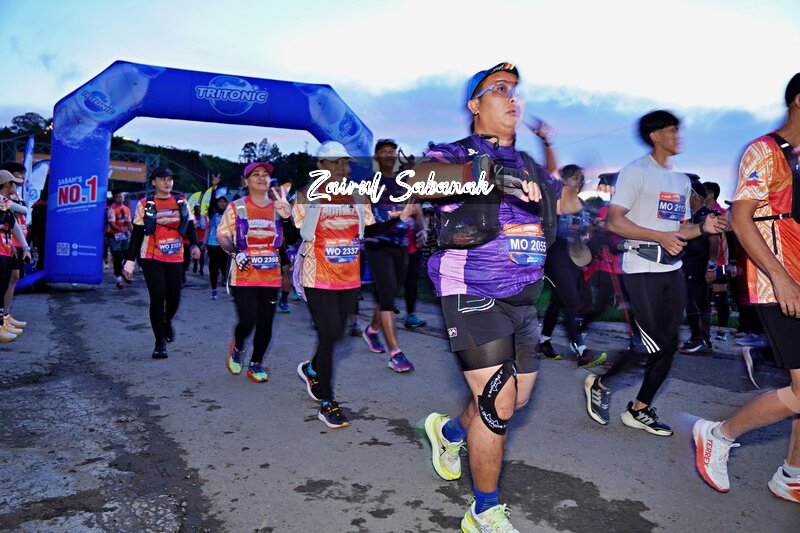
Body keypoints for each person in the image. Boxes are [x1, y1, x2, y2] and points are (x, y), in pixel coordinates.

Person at [412, 62, 555, 532]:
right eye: (499, 89)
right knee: (498, 405)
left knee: (516, 399)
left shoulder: (528, 162)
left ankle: (449, 431)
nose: (512, 97)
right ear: (475, 104)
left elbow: (559, 205)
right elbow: (419, 180)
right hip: (471, 289)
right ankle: (484, 511)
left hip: (524, 298)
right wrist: (486, 175)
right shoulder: (453, 153)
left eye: (516, 90)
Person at [583, 110, 726, 437]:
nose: (679, 135)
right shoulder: (637, 171)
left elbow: (680, 230)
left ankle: (639, 409)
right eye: (672, 129)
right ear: (655, 135)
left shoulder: (681, 181)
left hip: (672, 270)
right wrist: (659, 236)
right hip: (641, 268)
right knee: (651, 344)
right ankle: (601, 384)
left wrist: (704, 228)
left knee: (669, 343)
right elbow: (615, 221)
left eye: (679, 129)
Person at [693, 74, 800, 503]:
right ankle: (719, 434)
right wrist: (780, 277)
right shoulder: (766, 150)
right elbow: (740, 220)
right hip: (779, 282)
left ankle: (792, 474)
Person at [294, 141, 414, 429]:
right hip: (317, 276)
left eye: (344, 162)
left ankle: (312, 369)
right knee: (328, 336)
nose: (340, 167)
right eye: (334, 162)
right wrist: (289, 213)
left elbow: (372, 227)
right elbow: (297, 230)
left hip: (348, 278)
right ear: (320, 166)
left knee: (339, 336)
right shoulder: (307, 196)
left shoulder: (358, 194)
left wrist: (399, 217)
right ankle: (328, 403)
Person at [217, 162, 296, 383]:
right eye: (255, 174)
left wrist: (287, 217)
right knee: (248, 320)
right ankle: (238, 346)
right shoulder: (236, 207)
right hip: (243, 276)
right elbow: (222, 235)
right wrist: (235, 253)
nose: (262, 178)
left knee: (266, 321)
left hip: (270, 276)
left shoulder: (278, 207)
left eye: (265, 174)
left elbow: (292, 238)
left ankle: (256, 363)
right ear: (246, 181)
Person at [123, 167, 201, 358]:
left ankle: (166, 321)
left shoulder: (181, 202)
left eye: (170, 179)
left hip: (176, 256)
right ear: (153, 182)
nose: (167, 182)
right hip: (151, 256)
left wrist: (195, 245)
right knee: (158, 296)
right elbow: (137, 234)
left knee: (174, 298)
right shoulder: (145, 204)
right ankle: (159, 343)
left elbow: (190, 227)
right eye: (162, 179)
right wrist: (130, 261)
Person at [536, 164, 607, 368]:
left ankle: (544, 343)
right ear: (565, 180)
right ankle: (582, 352)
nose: (580, 180)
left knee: (558, 301)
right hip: (556, 254)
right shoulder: (557, 201)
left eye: (581, 177)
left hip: (574, 257)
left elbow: (584, 229)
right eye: (575, 177)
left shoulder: (582, 204)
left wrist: (593, 227)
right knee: (572, 302)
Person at [362, 138, 422, 372]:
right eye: (384, 151)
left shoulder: (404, 182)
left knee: (390, 294)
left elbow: (415, 208)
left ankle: (372, 330)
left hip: (401, 245)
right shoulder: (369, 184)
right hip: (377, 245)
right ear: (376, 157)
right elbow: (365, 218)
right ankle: (395, 353)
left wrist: (422, 230)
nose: (388, 154)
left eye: (391, 151)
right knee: (387, 294)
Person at [678, 180, 717, 354]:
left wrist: (711, 266)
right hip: (690, 263)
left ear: (694, 195)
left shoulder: (707, 215)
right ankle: (702, 339)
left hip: (700, 264)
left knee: (694, 300)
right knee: (696, 300)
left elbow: (715, 242)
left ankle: (698, 339)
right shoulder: (691, 216)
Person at [0, 170, 31, 341]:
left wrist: (25, 247)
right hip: (1, 250)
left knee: (3, 285)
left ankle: (2, 320)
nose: (16, 187)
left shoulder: (5, 204)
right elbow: (23, 210)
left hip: (5, 249)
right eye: (14, 183)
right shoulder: (3, 202)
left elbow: (14, 226)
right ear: (7, 184)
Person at [703, 181, 733, 341]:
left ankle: (722, 332)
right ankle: (703, 332)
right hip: (701, 260)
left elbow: (731, 237)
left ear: (711, 194)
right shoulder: (700, 212)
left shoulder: (722, 213)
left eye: (704, 191)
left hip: (720, 260)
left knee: (720, 295)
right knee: (703, 296)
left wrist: (732, 262)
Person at [106, 190, 133, 289]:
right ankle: (118, 279)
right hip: (113, 235)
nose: (119, 198)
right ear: (114, 198)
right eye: (117, 197)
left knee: (127, 255)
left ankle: (122, 271)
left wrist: (135, 234)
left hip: (124, 235)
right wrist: (120, 229)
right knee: (117, 257)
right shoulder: (111, 209)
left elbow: (129, 223)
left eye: (121, 196)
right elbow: (112, 224)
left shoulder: (126, 209)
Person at [206, 195, 229, 300]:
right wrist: (214, 188)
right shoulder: (213, 214)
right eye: (220, 202)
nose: (222, 203)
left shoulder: (229, 214)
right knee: (213, 268)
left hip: (226, 244)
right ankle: (214, 290)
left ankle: (224, 277)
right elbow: (211, 204)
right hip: (213, 244)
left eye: (224, 202)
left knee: (225, 266)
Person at [192, 205, 208, 276]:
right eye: (196, 209)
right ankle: (195, 263)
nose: (198, 210)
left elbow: (207, 227)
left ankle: (201, 269)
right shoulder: (192, 217)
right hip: (194, 238)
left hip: (202, 239)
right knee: (195, 253)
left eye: (199, 209)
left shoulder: (204, 217)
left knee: (202, 255)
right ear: (194, 210)